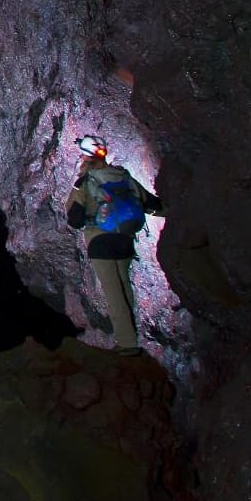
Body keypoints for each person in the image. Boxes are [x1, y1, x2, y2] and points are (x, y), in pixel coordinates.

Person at [65, 135, 164, 356]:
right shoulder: (123, 177)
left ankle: (127, 344)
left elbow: (74, 219)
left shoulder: (85, 182)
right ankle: (131, 338)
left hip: (100, 243)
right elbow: (153, 204)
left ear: (86, 157)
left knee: (113, 293)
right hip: (125, 240)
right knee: (125, 287)